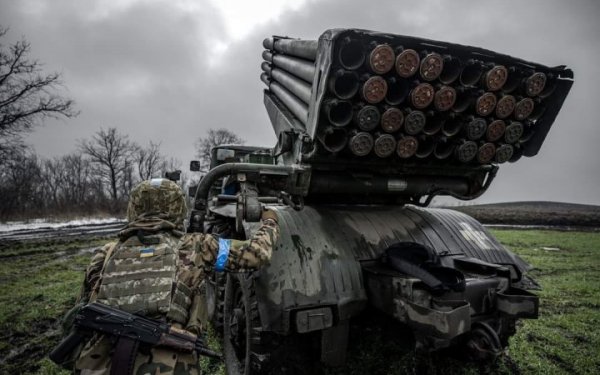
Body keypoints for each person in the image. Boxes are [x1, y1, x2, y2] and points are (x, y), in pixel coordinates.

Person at [67, 178, 279, 375]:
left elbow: (77, 316)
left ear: (134, 208)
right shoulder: (197, 247)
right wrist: (269, 221)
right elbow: (257, 253)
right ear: (178, 209)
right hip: (169, 365)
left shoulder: (105, 253)